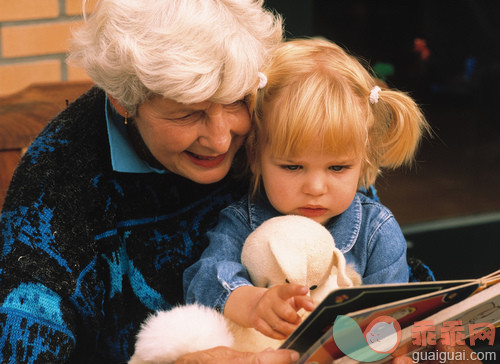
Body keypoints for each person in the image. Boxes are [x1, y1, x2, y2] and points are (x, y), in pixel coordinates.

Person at [0, 0, 300, 363]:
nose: (222, 139)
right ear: (124, 101)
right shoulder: (53, 190)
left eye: (237, 101)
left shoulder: (273, 115)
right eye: (189, 112)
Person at [184, 38, 431, 341]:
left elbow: (394, 315)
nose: (315, 188)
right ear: (254, 155)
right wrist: (253, 303)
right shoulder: (241, 222)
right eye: (292, 167)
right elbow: (204, 279)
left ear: (363, 156)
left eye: (338, 168)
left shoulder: (376, 232)